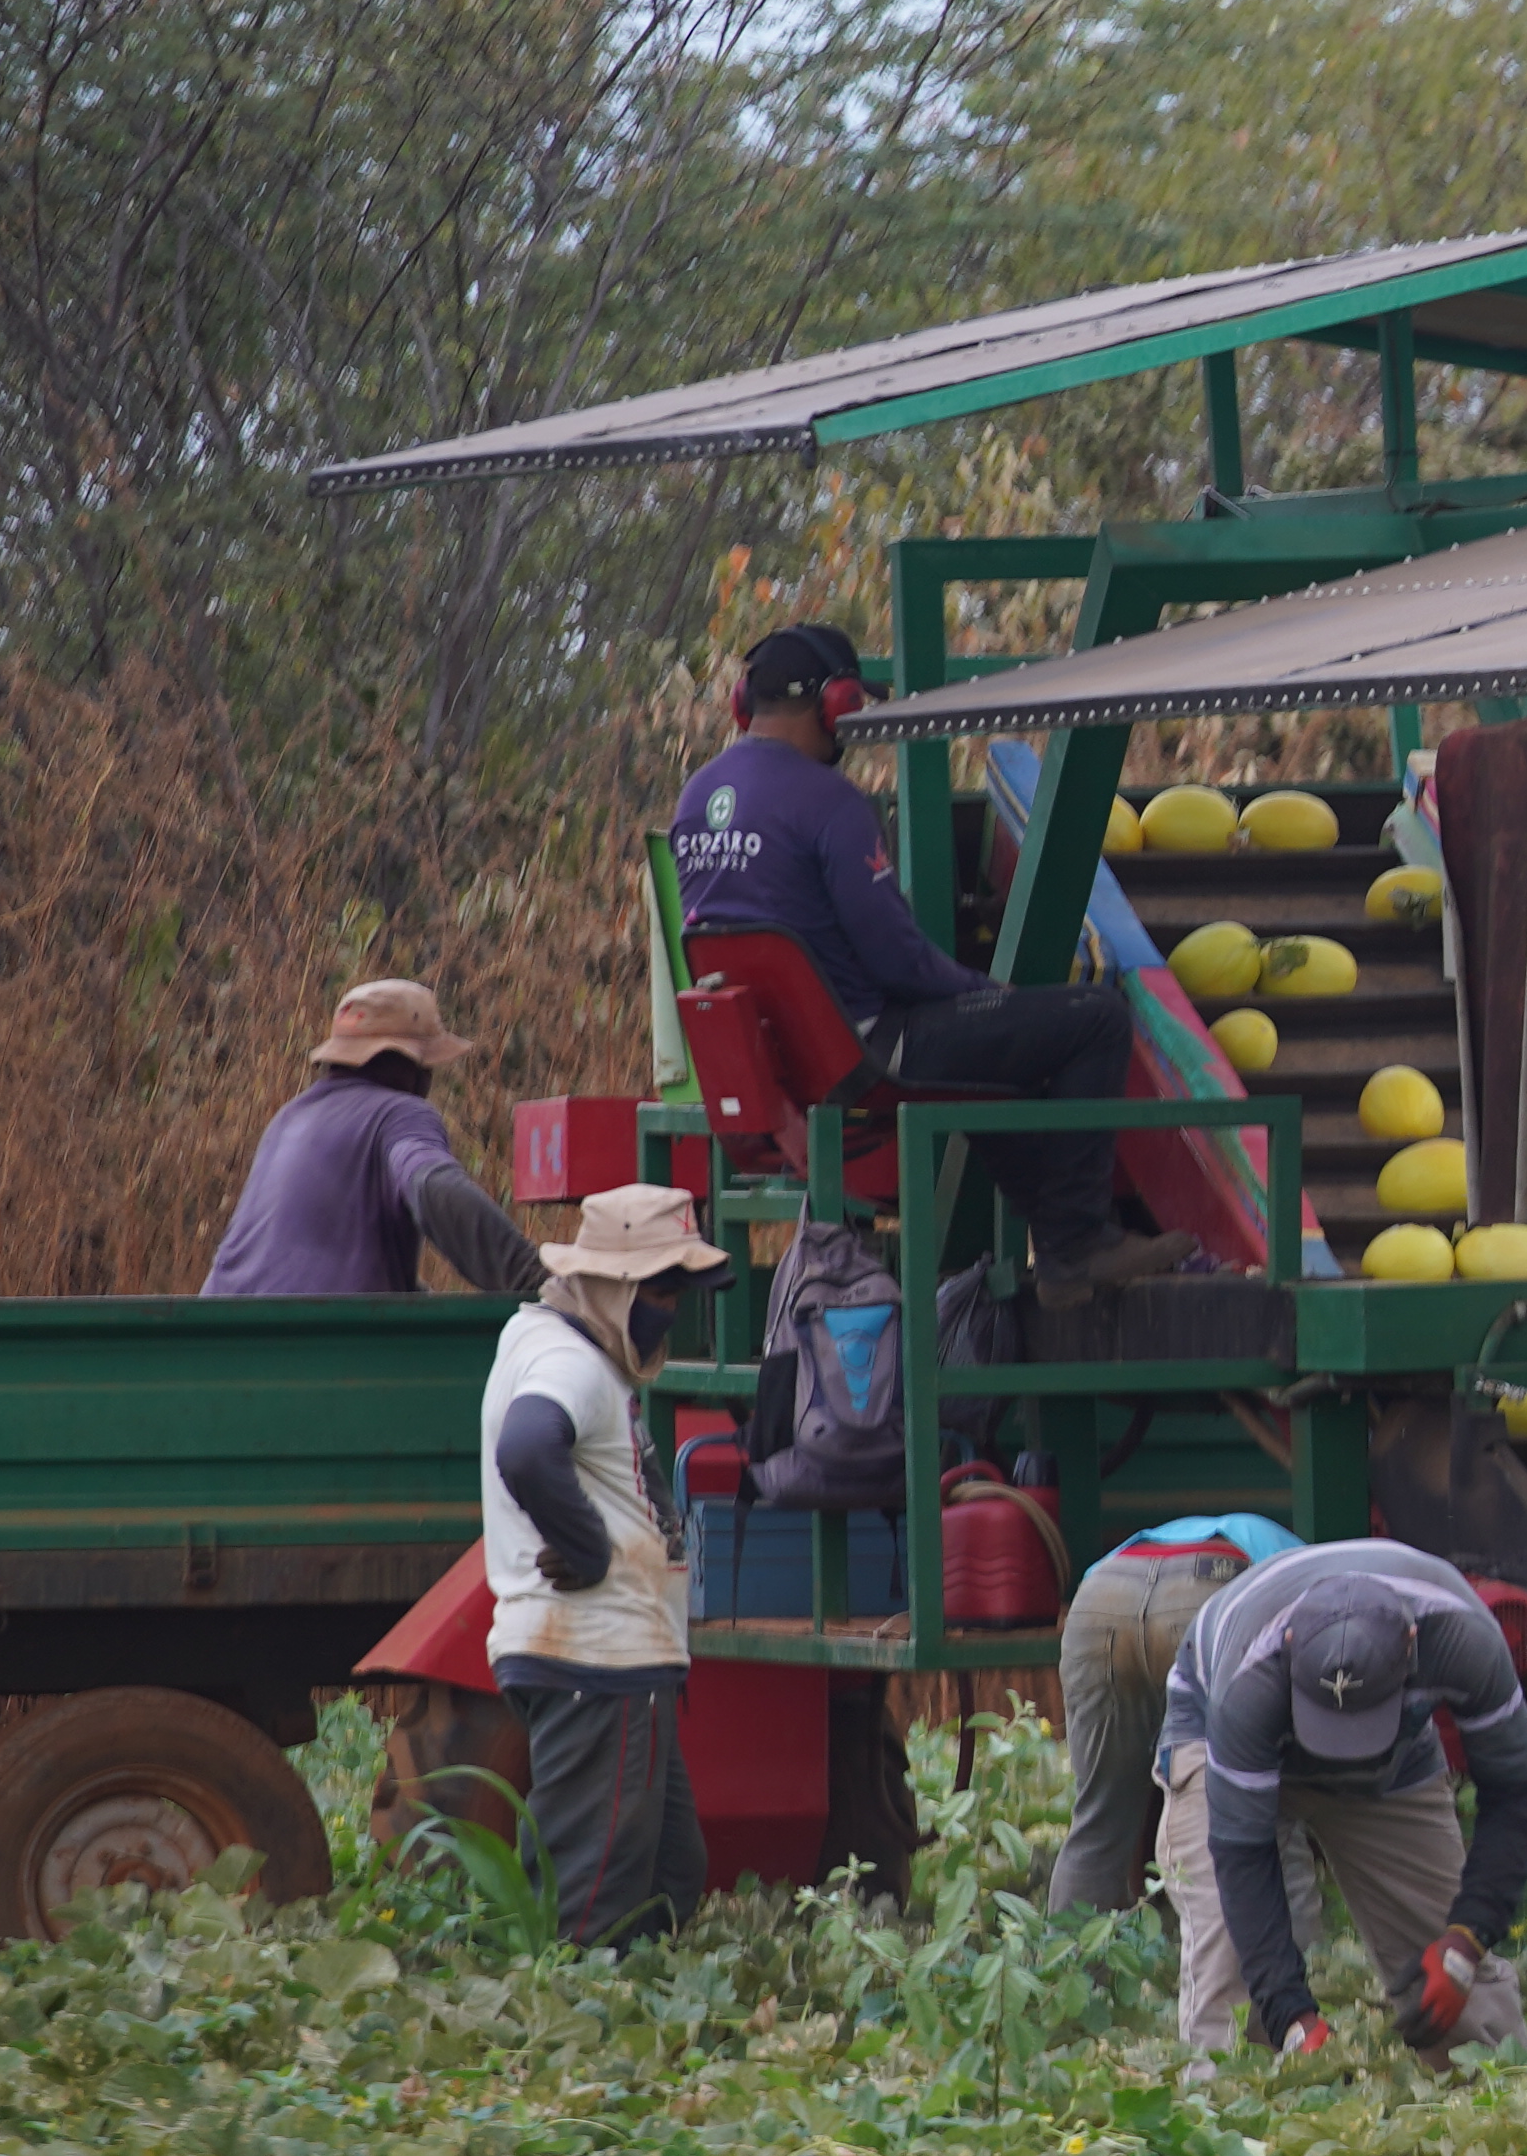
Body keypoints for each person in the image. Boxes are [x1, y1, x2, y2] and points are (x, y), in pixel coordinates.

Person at [670, 625, 1180, 1289]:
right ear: (838, 704)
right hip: (867, 1048)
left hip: (790, 1062)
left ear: (744, 703)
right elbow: (898, 960)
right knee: (1095, 1017)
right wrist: (983, 992)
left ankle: (1065, 1243)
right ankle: (1079, 1242)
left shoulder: (694, 799)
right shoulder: (830, 803)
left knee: (998, 1065)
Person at [1153, 1536, 1527, 2061]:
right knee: (1228, 1962)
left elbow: (1517, 1790)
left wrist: (1467, 1938)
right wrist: (1290, 2014)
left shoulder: (1463, 1638)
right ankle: (1228, 2112)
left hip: (1395, 1756)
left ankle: (1499, 2104)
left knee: (1451, 1969)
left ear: (1412, 1646)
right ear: (1291, 1645)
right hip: (1215, 1729)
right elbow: (1241, 1852)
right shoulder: (1250, 1681)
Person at [472, 1179, 730, 1948]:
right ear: (613, 1287)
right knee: (593, 1907)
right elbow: (526, 1447)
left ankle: (623, 2035)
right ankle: (561, 2040)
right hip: (595, 1658)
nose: (671, 1311)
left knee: (670, 1876)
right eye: (662, 1291)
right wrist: (588, 1551)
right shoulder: (570, 1363)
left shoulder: (547, 1341)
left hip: (616, 1661)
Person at [201, 981, 534, 1297]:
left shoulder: (288, 1119)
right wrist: (532, 1279)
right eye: (426, 1066)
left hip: (218, 1339)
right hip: (320, 1342)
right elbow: (435, 1185)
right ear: (408, 1066)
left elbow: (306, 1259)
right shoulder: (400, 1113)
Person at [1045, 1510, 1302, 1914]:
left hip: (1101, 1595)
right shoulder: (1316, 1567)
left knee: (1099, 1816)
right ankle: (1299, 1965)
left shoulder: (1163, 1535)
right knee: (1265, 1807)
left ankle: (1070, 1966)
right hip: (1209, 1588)